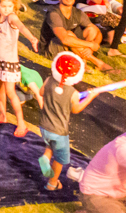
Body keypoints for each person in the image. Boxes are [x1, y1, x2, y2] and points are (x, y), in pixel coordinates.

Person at [37, 52, 100, 191]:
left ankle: (46, 158)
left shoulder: (48, 80)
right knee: (60, 159)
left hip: (44, 126)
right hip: (59, 132)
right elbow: (76, 109)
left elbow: (41, 92)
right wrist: (90, 97)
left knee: (50, 145)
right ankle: (52, 184)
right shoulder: (73, 93)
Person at [0, 0, 39, 136]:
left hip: (9, 62)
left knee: (11, 92)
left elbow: (21, 27)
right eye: (4, 6)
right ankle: (3, 115)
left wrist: (32, 38)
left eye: (10, 6)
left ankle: (21, 123)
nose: (7, 9)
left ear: (14, 7)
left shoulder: (12, 17)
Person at [39, 0, 110, 71]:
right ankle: (98, 63)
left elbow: (97, 32)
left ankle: (83, 60)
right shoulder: (53, 13)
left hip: (71, 45)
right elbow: (65, 39)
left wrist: (92, 47)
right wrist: (91, 44)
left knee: (92, 30)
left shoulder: (78, 12)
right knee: (69, 34)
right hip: (51, 48)